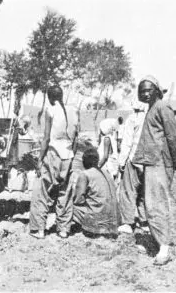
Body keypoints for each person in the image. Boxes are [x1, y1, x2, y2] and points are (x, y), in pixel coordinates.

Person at [132, 75, 176, 265]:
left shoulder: (162, 107)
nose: (145, 93)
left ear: (157, 90)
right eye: (142, 90)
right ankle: (157, 242)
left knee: (158, 204)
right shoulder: (151, 108)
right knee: (151, 204)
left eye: (149, 90)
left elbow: (175, 137)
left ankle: (164, 248)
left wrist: (175, 161)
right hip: (152, 162)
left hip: (161, 163)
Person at [29, 85, 79, 239]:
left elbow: (46, 138)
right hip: (68, 154)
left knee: (41, 190)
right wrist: (71, 154)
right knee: (65, 192)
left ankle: (40, 229)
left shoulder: (50, 110)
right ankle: (63, 229)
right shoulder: (74, 111)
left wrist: (39, 160)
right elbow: (77, 138)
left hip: (53, 152)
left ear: (50, 98)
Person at [70, 148, 119, 235]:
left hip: (97, 222)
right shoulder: (106, 172)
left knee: (68, 205)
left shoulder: (85, 174)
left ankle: (90, 227)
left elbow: (78, 199)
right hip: (113, 222)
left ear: (84, 161)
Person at [117, 99, 149, 234]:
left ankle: (128, 223)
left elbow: (127, 142)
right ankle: (144, 221)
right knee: (144, 192)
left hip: (134, 158)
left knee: (128, 190)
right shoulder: (149, 118)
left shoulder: (132, 119)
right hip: (148, 160)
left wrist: (121, 162)